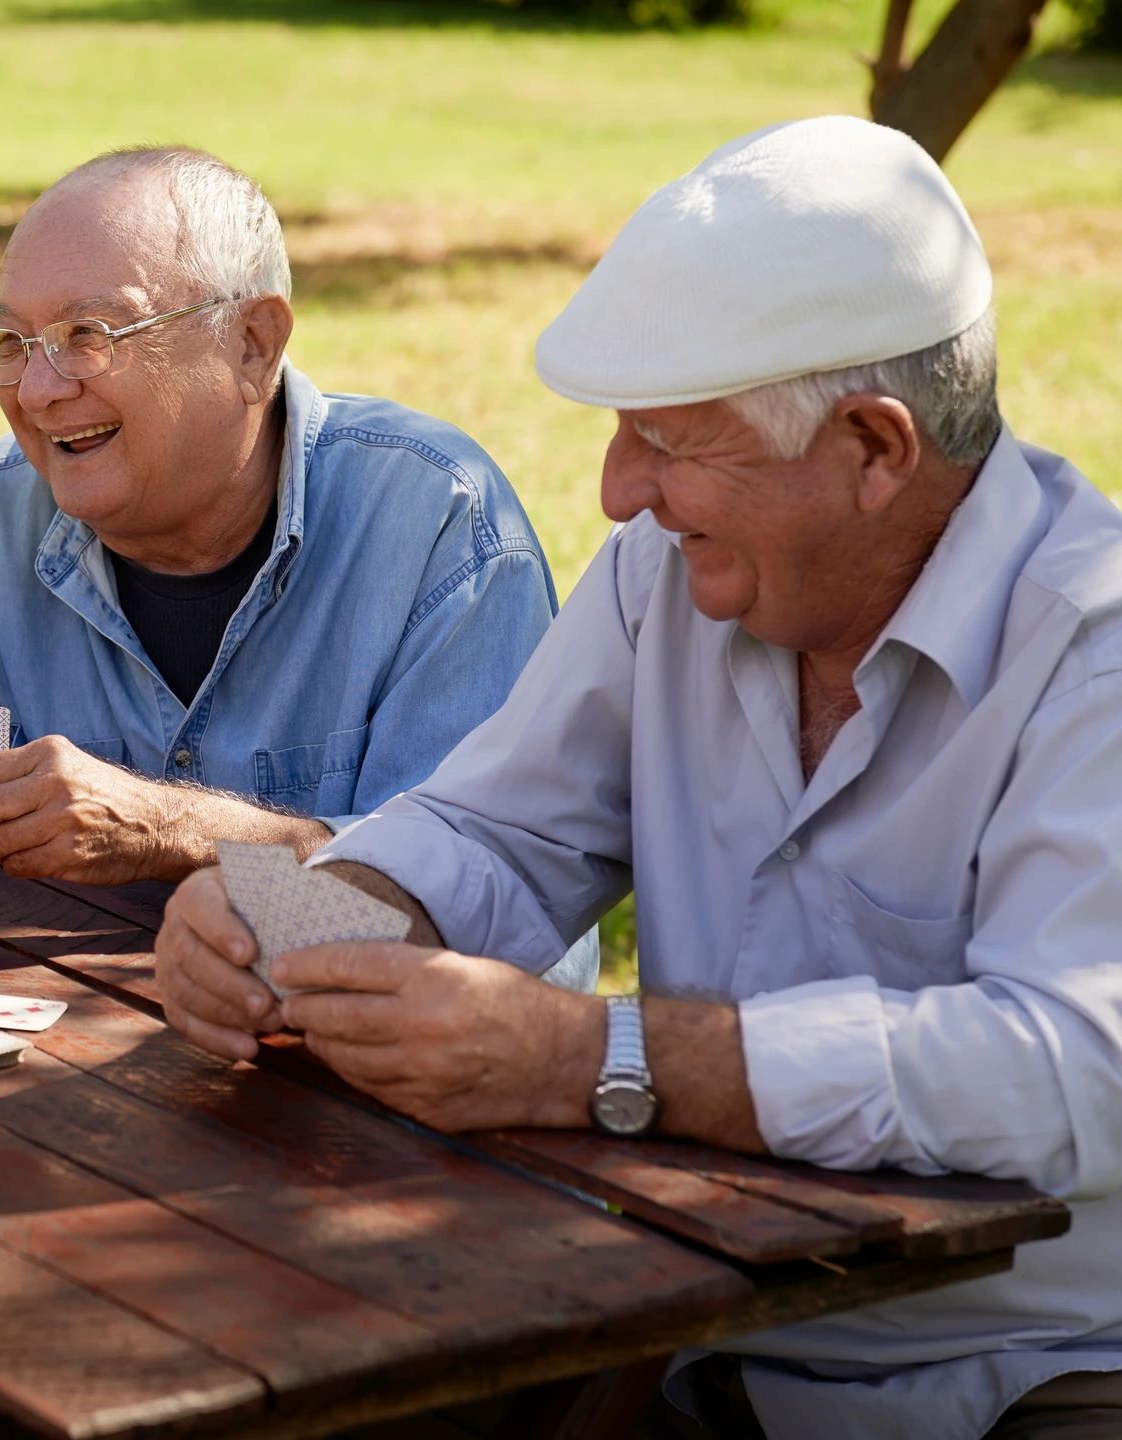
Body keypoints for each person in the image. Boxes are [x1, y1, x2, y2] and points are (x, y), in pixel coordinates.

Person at [155, 117, 1122, 1438]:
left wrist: (601, 1058)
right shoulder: (669, 575)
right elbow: (497, 827)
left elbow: (1070, 1067)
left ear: (874, 450)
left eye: (671, 441)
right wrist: (320, 908)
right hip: (698, 1327)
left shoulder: (1095, 652)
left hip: (1042, 1370)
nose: (618, 493)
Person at [0, 147, 596, 993]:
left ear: (253, 346)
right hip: (65, 1094)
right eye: (11, 343)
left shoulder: (436, 522)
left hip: (344, 1121)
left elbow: (497, 923)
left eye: (89, 333)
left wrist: (180, 835)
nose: (38, 391)